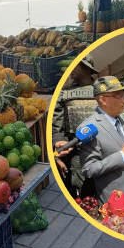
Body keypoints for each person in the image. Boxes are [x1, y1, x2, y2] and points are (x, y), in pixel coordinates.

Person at [78, 76, 124, 203]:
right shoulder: (89, 128)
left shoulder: (121, 117)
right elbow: (89, 169)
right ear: (103, 99)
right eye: (119, 96)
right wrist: (122, 156)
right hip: (113, 199)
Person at [53, 55, 100, 198]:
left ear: (86, 68)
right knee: (80, 188)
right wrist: (59, 141)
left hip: (101, 149)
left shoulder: (102, 90)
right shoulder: (64, 93)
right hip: (75, 151)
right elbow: (56, 125)